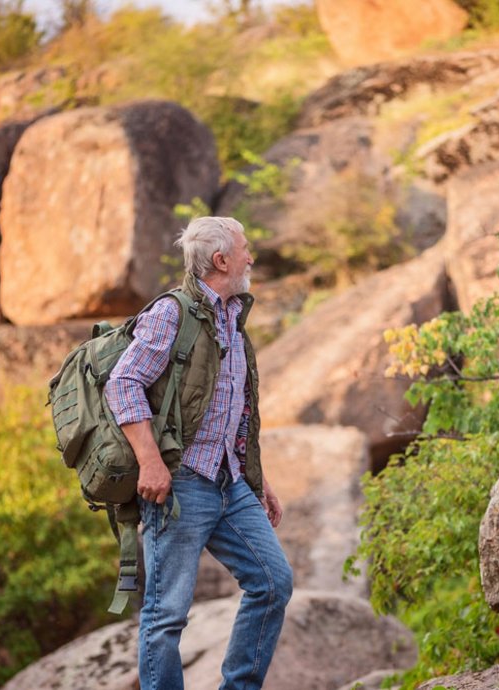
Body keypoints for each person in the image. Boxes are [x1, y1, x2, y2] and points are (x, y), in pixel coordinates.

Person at [105, 216, 292, 690]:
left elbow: (234, 407)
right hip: (181, 485)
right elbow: (123, 383)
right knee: (165, 616)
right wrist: (149, 461)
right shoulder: (173, 313)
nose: (252, 257)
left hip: (231, 482)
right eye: (245, 248)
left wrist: (258, 478)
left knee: (273, 583)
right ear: (221, 259)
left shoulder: (233, 316)